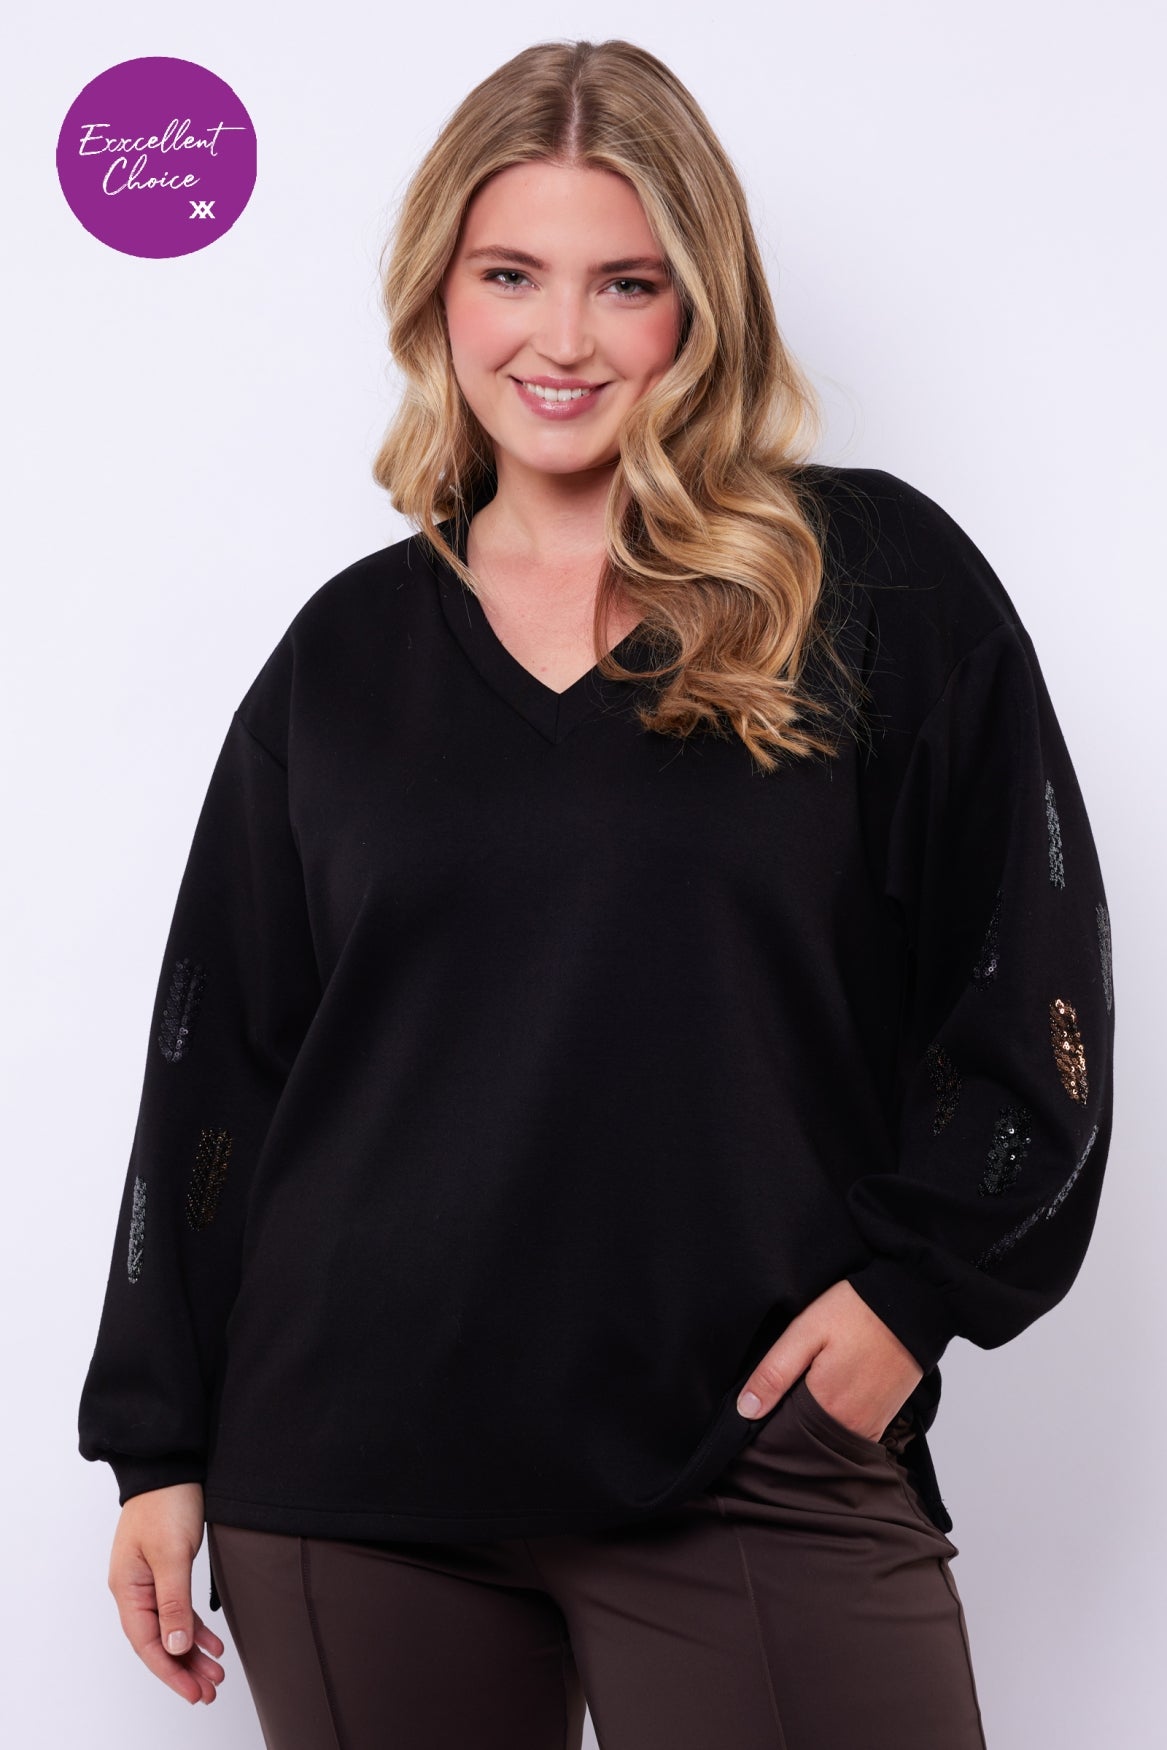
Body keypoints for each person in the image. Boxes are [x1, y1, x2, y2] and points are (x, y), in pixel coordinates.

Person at [77, 37, 1115, 1750]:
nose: (561, 339)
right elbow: (218, 1075)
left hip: (752, 1447)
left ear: (700, 304)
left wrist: (910, 1295)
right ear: (439, 290)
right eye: (512, 274)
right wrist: (157, 1443)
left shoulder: (875, 588)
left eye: (624, 283)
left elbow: (1032, 977)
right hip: (351, 1472)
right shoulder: (341, 662)